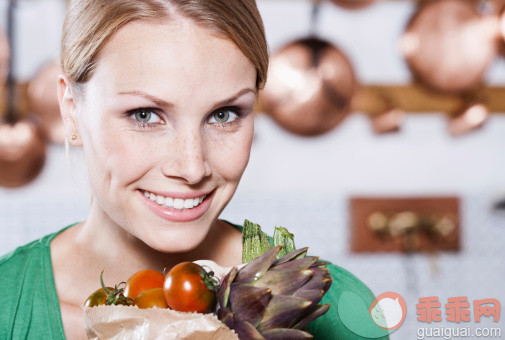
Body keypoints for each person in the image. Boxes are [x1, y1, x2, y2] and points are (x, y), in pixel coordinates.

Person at [0, 0, 384, 339]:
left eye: (224, 114)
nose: (192, 166)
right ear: (71, 108)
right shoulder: (8, 308)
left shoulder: (340, 314)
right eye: (145, 115)